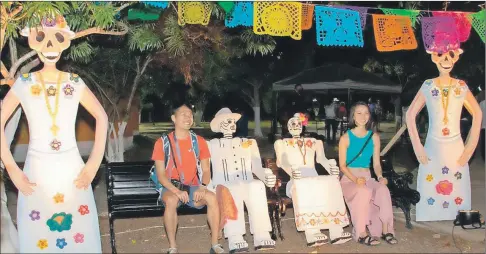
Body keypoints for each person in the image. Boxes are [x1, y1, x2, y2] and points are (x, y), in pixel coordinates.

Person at [1, 15, 108, 252]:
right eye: (42, 37)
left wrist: (93, 164)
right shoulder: (24, 83)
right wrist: (11, 168)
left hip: (73, 172)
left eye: (57, 38)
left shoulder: (75, 82)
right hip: (35, 174)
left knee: (78, 236)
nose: (50, 46)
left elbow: (102, 116)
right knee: (39, 236)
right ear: (32, 40)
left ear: (65, 41)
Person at [406, 48, 482, 222]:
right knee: (430, 184)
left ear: (456, 58)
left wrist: (470, 148)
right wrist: (417, 146)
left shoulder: (461, 86)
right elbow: (410, 115)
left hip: (456, 146)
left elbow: (478, 114)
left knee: (457, 185)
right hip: (433, 145)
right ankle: (430, 214)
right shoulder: (428, 85)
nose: (445, 59)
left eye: (451, 55)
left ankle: (458, 215)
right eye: (440, 55)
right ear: (433, 57)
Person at [151, 103, 223, 254]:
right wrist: (176, 191)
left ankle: (215, 244)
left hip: (193, 186)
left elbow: (205, 170)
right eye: (183, 114)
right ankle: (172, 247)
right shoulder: (162, 143)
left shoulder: (199, 141)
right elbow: (161, 175)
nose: (188, 117)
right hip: (171, 186)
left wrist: (203, 187)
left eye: (190, 114)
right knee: (171, 200)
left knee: (212, 198)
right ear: (174, 118)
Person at [274, 113, 352, 247]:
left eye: (298, 123)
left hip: (314, 178)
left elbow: (322, 159)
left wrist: (332, 168)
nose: (295, 126)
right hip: (296, 180)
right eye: (292, 124)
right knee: (304, 187)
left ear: (303, 125)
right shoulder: (281, 143)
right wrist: (291, 171)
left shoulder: (316, 142)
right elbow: (282, 161)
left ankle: (336, 230)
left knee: (332, 183)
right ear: (287, 127)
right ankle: (312, 231)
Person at [208, 108, 277, 253]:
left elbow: (257, 166)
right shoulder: (212, 145)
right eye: (228, 121)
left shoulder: (249, 142)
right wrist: (209, 187)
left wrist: (266, 176)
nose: (232, 124)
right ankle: (235, 236)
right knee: (232, 190)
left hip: (247, 180)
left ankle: (262, 233)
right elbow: (205, 169)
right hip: (225, 184)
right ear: (220, 124)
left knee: (257, 186)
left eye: (233, 121)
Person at [338, 102, 397, 246]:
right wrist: (355, 179)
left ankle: (386, 231)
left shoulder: (374, 137)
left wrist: (380, 177)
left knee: (383, 190)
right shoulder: (345, 138)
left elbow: (376, 164)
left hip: (367, 177)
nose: (363, 116)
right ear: (353, 116)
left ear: (369, 116)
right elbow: (342, 166)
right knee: (363, 192)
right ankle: (361, 233)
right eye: (359, 113)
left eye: (366, 113)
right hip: (349, 178)